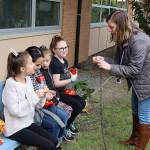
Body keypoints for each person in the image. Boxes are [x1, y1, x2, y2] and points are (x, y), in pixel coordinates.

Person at [93, 10, 150, 150]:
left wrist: (109, 67)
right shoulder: (124, 39)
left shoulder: (139, 41)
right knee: (135, 111)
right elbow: (120, 62)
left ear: (121, 25)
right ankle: (134, 139)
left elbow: (134, 69)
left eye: (111, 27)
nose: (109, 30)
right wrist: (104, 60)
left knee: (144, 117)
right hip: (138, 82)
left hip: (147, 83)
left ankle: (140, 148)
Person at [2, 50, 58, 150]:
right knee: (49, 146)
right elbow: (15, 111)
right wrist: (35, 96)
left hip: (27, 123)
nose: (34, 65)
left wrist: (43, 95)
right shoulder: (11, 84)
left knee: (54, 141)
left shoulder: (27, 79)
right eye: (31, 63)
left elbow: (36, 105)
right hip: (15, 129)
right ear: (22, 68)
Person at [26, 46, 69, 145]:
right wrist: (45, 95)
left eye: (41, 64)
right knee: (54, 124)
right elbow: (34, 101)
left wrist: (48, 92)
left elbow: (43, 86)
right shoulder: (28, 77)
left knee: (64, 116)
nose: (40, 66)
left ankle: (56, 142)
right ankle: (52, 144)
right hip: (38, 109)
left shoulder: (37, 72)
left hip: (44, 103)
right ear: (29, 63)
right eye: (38, 64)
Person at [49, 35, 86, 134]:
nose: (64, 50)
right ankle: (66, 127)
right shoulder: (54, 63)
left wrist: (72, 73)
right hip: (57, 94)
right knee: (77, 105)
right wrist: (71, 79)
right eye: (61, 48)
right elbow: (56, 83)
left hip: (64, 90)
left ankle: (70, 122)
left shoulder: (64, 60)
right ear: (53, 50)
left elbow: (64, 75)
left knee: (82, 102)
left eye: (66, 47)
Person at [39, 45, 74, 141]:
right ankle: (59, 137)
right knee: (64, 113)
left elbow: (53, 86)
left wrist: (56, 96)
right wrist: (54, 98)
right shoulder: (40, 73)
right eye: (43, 61)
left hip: (54, 98)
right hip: (47, 102)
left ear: (50, 60)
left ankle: (61, 135)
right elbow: (44, 90)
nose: (45, 64)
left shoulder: (48, 70)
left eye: (47, 61)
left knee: (69, 110)